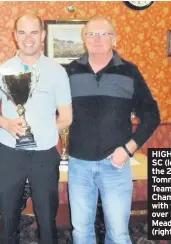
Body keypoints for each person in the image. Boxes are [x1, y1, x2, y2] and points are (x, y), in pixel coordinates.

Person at [66, 17, 160, 244]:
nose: (97, 39)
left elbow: (152, 115)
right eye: (91, 34)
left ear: (114, 39)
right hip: (79, 165)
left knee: (118, 234)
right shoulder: (69, 71)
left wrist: (128, 149)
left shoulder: (129, 72)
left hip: (116, 165)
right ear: (84, 39)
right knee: (81, 233)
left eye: (104, 34)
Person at [0, 14, 72, 244]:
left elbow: (67, 117)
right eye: (22, 32)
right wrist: (6, 123)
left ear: (42, 35)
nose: (28, 38)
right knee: (8, 217)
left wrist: (42, 131)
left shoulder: (57, 72)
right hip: (10, 154)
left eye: (34, 32)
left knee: (46, 217)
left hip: (44, 155)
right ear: (14, 36)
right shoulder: (2, 71)